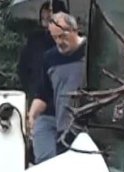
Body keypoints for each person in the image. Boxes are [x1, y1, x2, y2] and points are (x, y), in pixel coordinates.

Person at [26, 11, 86, 163]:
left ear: (74, 30)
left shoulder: (89, 53)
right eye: (55, 38)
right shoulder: (50, 58)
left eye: (63, 36)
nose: (59, 42)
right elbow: (43, 93)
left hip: (84, 124)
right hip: (61, 125)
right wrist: (32, 114)